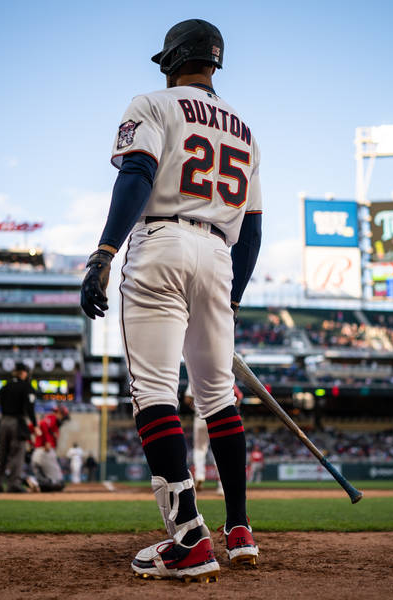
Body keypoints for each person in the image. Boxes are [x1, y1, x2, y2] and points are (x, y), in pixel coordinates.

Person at [80, 18, 262, 583]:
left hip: (160, 241)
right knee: (217, 398)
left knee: (154, 392)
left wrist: (104, 252)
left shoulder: (153, 103)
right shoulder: (245, 130)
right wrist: (228, 301)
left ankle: (188, 539)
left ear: (172, 57)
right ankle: (239, 530)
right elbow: (252, 230)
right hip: (219, 256)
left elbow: (137, 174)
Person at [0, 363, 36, 493]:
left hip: (3, 422)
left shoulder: (6, 386)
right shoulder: (26, 387)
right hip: (17, 422)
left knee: (2, 454)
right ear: (23, 373)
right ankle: (13, 484)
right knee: (17, 454)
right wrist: (35, 424)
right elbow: (30, 408)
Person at [30, 405, 69, 491]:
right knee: (59, 483)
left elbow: (31, 427)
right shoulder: (52, 418)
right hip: (45, 453)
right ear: (59, 413)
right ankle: (32, 482)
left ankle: (33, 482)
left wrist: (31, 443)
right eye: (63, 415)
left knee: (47, 483)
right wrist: (48, 441)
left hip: (39, 453)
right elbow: (42, 424)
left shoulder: (52, 422)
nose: (63, 419)